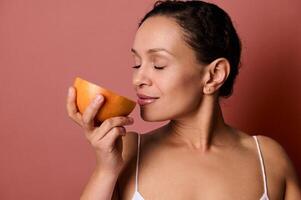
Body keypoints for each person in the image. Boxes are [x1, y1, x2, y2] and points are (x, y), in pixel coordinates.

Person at [66, 1, 301, 199]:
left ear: (214, 75)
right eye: (136, 64)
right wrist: (106, 170)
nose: (138, 78)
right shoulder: (126, 153)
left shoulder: (268, 159)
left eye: (158, 64)